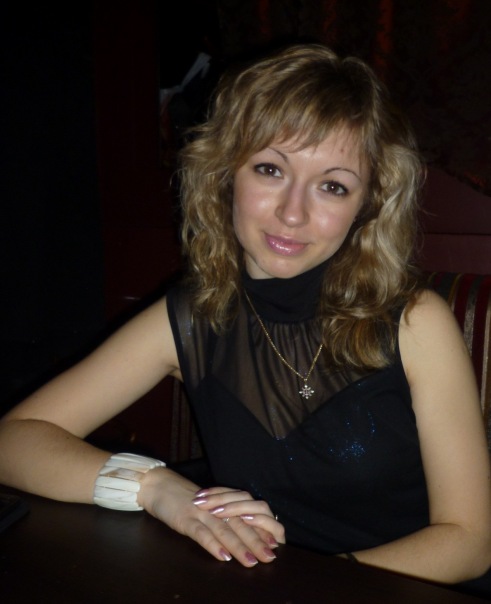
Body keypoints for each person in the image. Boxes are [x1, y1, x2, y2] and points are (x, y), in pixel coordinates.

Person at [0, 43, 490, 584]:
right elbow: (14, 439)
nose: (292, 212)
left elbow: (469, 542)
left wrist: (315, 589)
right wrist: (156, 488)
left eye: (332, 186)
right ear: (225, 172)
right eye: (270, 169)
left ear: (367, 206)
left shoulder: (415, 322)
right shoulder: (193, 318)